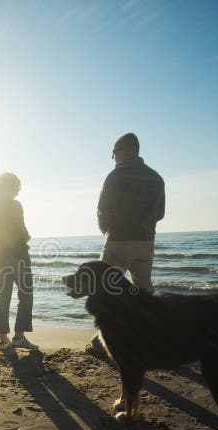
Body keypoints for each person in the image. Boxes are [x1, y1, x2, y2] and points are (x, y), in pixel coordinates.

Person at [88, 133, 165, 354]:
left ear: (124, 150)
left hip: (119, 240)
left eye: (114, 154)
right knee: (143, 292)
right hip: (145, 241)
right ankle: (150, 336)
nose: (114, 159)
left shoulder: (116, 176)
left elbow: (103, 209)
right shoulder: (156, 178)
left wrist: (106, 230)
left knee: (105, 290)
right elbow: (160, 213)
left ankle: (101, 342)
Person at [0, 172, 38, 351]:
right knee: (26, 295)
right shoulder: (15, 206)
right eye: (16, 186)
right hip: (18, 257)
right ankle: (19, 336)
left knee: (2, 299)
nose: (18, 189)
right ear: (8, 186)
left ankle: (3, 340)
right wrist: (26, 236)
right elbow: (22, 231)